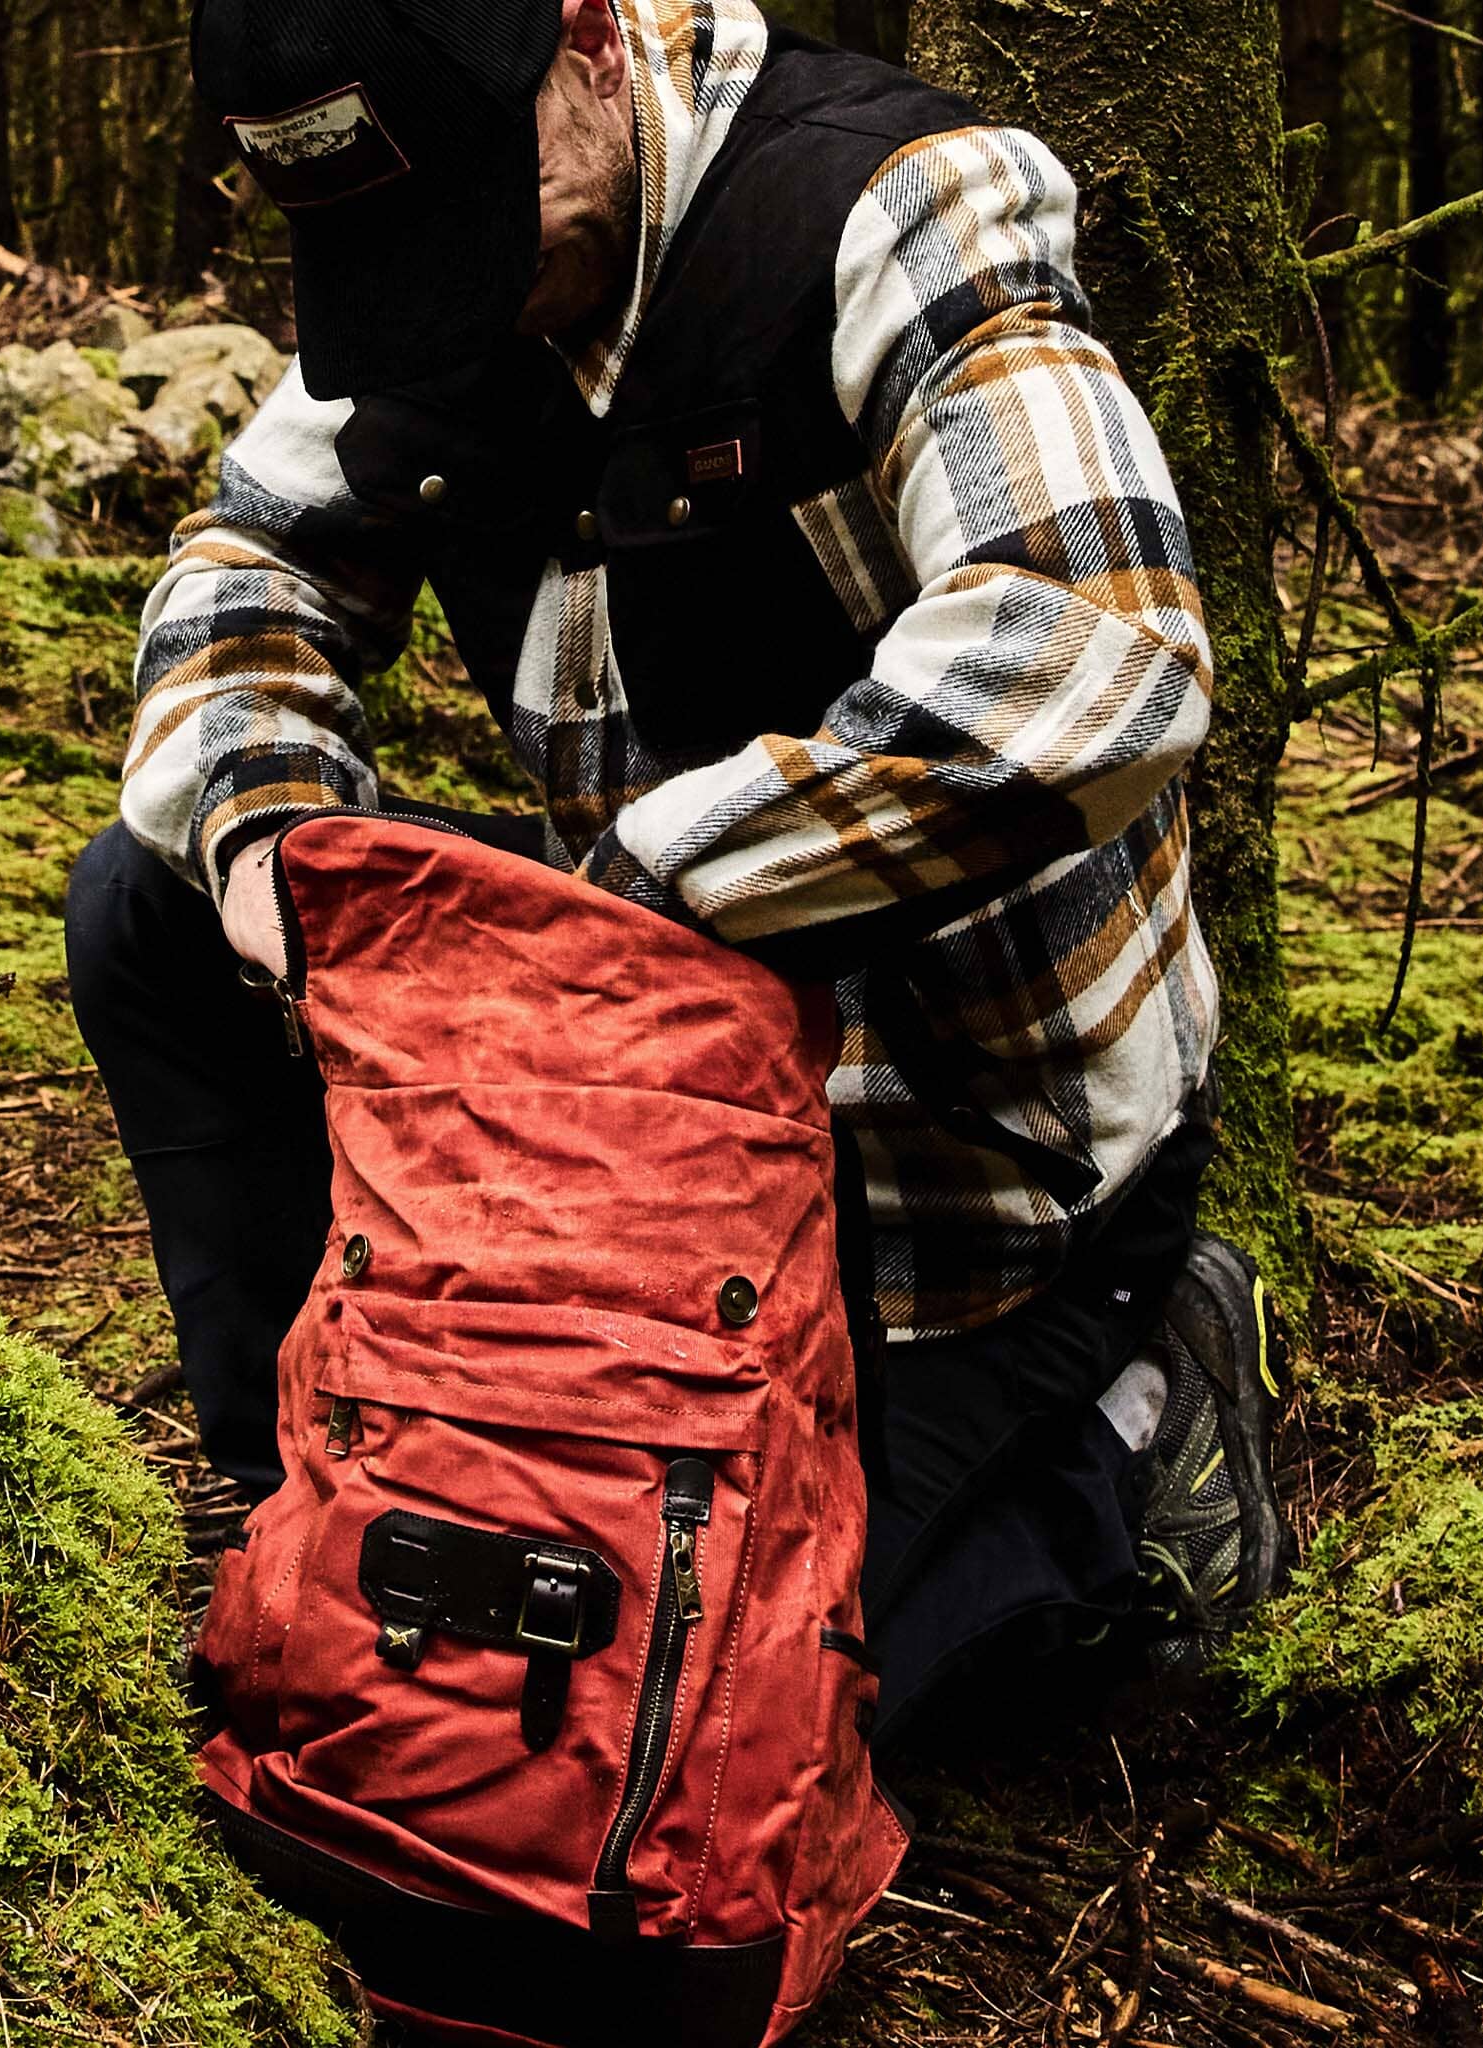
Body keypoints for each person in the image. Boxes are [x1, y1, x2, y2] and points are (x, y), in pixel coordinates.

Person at [69, 0, 1286, 1752]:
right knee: (150, 900)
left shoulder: (894, 206)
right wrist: (270, 843)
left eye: (493, 232)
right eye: (406, 259)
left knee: (739, 1724)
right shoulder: (425, 252)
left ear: (582, 37)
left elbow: (1101, 657)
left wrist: (648, 890)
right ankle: (323, 1476)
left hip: (937, 1165)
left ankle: (1134, 1424)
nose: (464, 299)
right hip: (637, 1092)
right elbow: (243, 567)